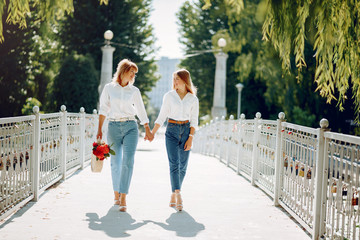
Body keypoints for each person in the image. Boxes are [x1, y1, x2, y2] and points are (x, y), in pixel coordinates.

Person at [97, 59, 154, 212]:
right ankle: (116, 193)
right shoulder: (109, 88)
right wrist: (99, 130)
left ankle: (123, 196)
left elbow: (141, 110)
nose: (133, 76)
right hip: (113, 126)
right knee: (115, 163)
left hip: (130, 126)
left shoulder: (134, 91)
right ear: (123, 71)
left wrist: (148, 129)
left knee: (128, 161)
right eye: (131, 72)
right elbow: (103, 109)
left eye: (135, 74)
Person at [150, 69, 199, 211]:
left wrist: (190, 138)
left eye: (177, 79)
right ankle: (178, 195)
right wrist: (152, 132)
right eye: (174, 79)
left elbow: (194, 120)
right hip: (171, 130)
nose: (175, 81)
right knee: (174, 164)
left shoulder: (193, 99)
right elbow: (162, 116)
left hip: (186, 131)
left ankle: (173, 193)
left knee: (183, 166)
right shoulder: (169, 96)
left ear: (185, 80)